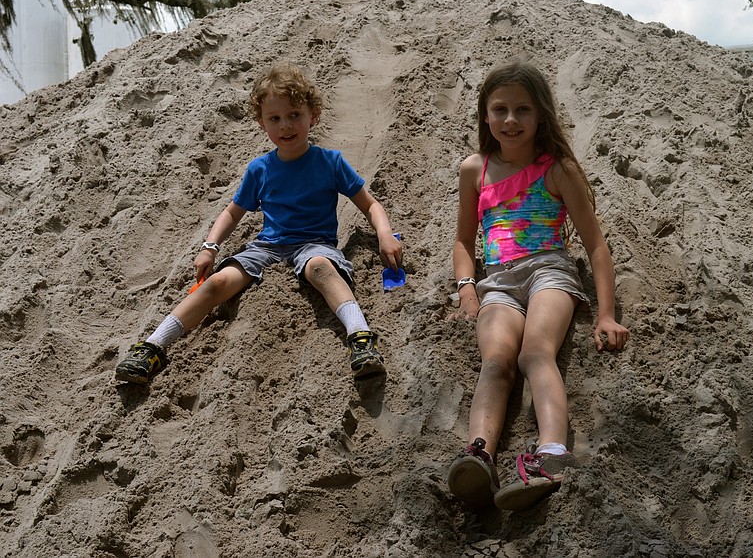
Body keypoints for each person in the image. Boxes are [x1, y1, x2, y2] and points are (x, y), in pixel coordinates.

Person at [115, 62, 402, 384]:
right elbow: (232, 212)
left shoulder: (329, 162)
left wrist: (385, 233)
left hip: (314, 244)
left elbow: (370, 203)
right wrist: (210, 247)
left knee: (321, 267)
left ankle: (361, 338)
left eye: (295, 114)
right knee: (216, 283)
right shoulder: (260, 169)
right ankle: (153, 345)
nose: (286, 126)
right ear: (262, 123)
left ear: (314, 115)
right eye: (274, 118)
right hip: (267, 247)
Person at [446, 61, 629, 511]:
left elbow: (596, 246)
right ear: (485, 115)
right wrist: (467, 286)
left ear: (541, 115)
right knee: (495, 362)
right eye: (500, 109)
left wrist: (606, 314)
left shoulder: (558, 169)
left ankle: (551, 454)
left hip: (549, 270)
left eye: (522, 110)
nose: (511, 120)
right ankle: (479, 455)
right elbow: (463, 241)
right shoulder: (475, 169)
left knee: (534, 353)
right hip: (498, 283)